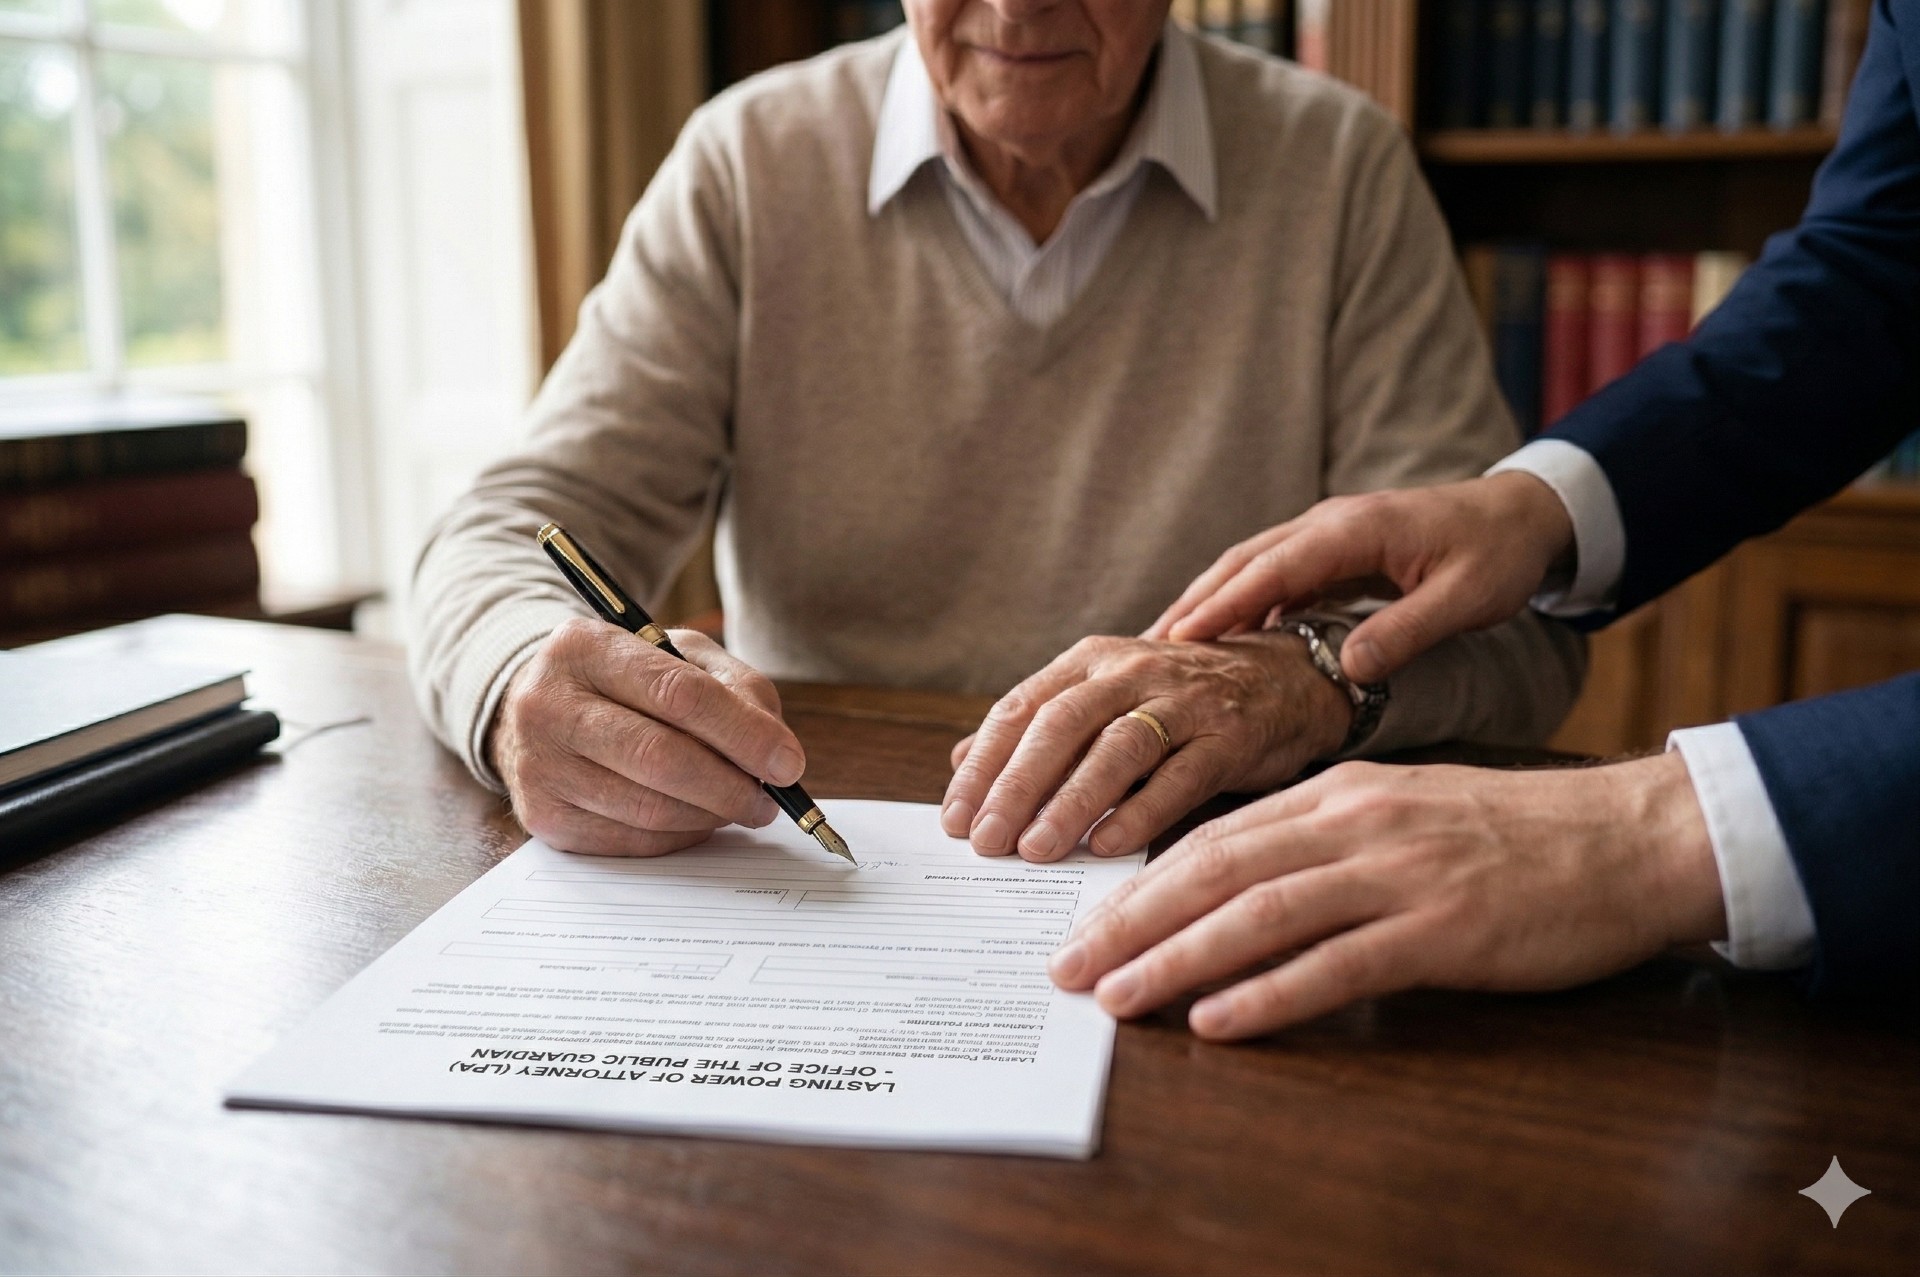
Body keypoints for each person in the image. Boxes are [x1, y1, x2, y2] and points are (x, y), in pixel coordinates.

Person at [409, 0, 1586, 858]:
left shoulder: (1340, 170)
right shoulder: (749, 162)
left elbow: (1516, 632)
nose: (1018, 5)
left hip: (1207, 866)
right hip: (825, 877)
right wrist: (519, 676)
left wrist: (1291, 683)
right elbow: (510, 530)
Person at [1052, 0, 1920, 1041]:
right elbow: (1884, 260)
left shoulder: (1334, 158)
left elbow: (1517, 664)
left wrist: (1666, 829)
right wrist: (1542, 504)